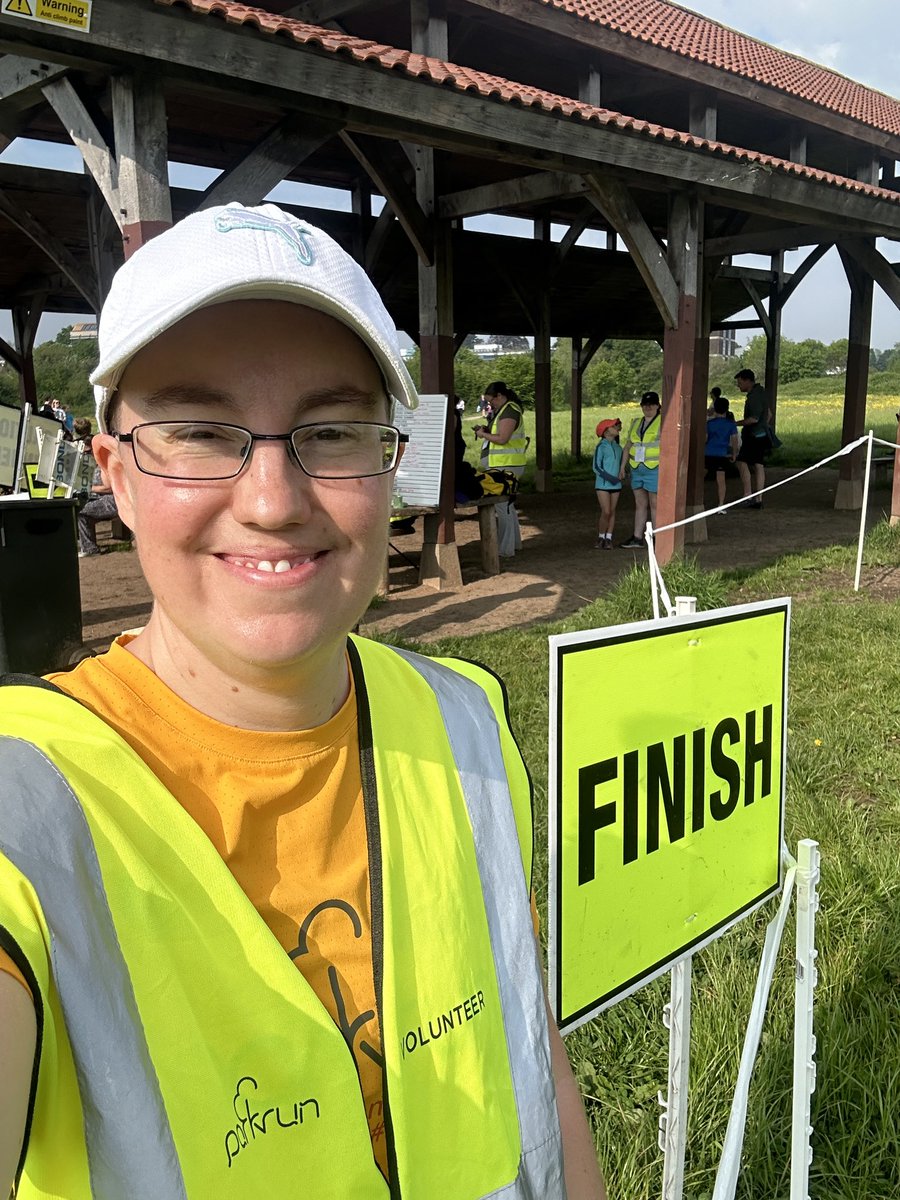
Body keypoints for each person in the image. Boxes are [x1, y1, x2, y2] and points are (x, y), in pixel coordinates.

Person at [0, 203, 605, 1200]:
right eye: (198, 431)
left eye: (329, 432)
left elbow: (534, 1060)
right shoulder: (29, 804)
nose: (275, 498)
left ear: (390, 465)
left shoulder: (463, 722)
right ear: (119, 477)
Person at [473, 380, 528, 558]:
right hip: (505, 463)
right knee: (508, 506)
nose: (490, 404)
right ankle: (513, 544)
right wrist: (487, 429)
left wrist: (483, 434)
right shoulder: (505, 410)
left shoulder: (510, 411)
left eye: (492, 401)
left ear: (500, 396)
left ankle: (506, 548)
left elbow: (503, 438)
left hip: (506, 464)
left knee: (501, 506)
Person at [72, 415, 120, 557]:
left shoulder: (101, 462)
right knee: (77, 507)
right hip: (105, 497)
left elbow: (108, 488)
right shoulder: (91, 459)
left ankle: (89, 549)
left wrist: (87, 487)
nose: (83, 454)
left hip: (113, 499)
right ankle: (85, 544)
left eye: (86, 452)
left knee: (82, 512)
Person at [618, 391, 662, 549]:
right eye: (645, 404)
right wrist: (622, 466)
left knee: (655, 503)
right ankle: (637, 537)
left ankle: (658, 537)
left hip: (654, 468)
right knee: (640, 503)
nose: (648, 407)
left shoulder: (663, 422)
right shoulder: (636, 422)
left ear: (658, 405)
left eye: (651, 404)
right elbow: (628, 446)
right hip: (637, 468)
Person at [733, 368, 772, 508]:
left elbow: (753, 419)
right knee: (759, 465)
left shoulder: (753, 396)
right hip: (762, 435)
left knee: (741, 461)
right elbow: (769, 415)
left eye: (739, 382)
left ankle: (747, 494)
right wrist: (764, 426)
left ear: (747, 381)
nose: (738, 385)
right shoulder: (761, 393)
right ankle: (759, 498)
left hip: (753, 436)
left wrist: (736, 423)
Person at [592, 417, 623, 549]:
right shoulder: (601, 446)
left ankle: (608, 538)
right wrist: (611, 478)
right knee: (606, 511)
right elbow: (596, 467)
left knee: (612, 511)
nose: (616, 427)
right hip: (603, 485)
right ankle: (601, 536)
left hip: (616, 485)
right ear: (606, 432)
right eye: (613, 426)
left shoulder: (618, 447)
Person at [705, 394, 739, 509]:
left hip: (708, 453)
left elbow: (704, 439)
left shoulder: (709, 424)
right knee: (721, 480)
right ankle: (721, 504)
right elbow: (734, 441)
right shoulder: (731, 424)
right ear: (727, 408)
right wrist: (734, 454)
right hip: (721, 454)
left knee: (700, 478)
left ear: (714, 408)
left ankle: (697, 500)